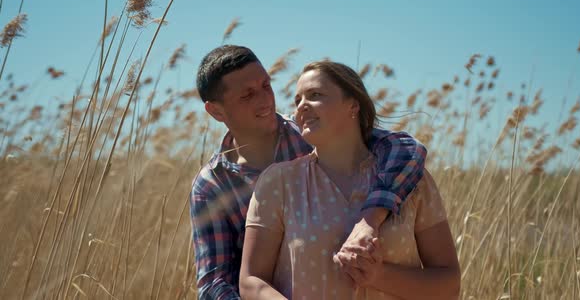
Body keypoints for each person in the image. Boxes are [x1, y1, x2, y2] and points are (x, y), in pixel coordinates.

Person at [190, 46, 427, 299]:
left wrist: (369, 219)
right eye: (248, 96)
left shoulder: (311, 132)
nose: (266, 100)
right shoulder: (211, 186)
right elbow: (214, 283)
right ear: (216, 111)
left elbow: (406, 149)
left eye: (266, 86)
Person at [239, 61, 460, 299]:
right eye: (297, 100)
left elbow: (449, 285)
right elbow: (251, 282)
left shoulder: (412, 180)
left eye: (315, 95)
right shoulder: (279, 182)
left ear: (353, 105)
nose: (301, 107)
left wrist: (378, 276)